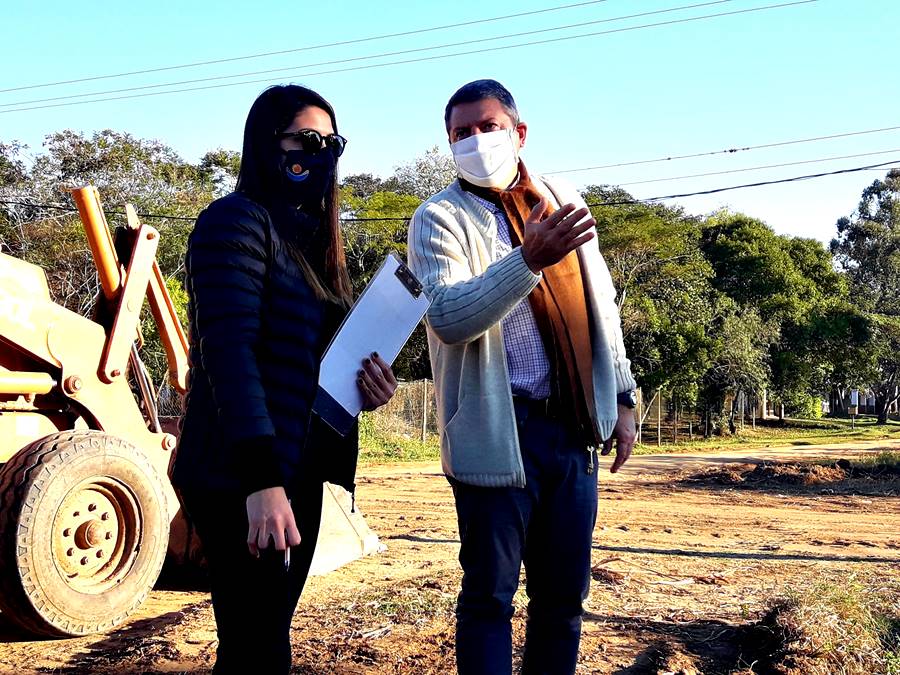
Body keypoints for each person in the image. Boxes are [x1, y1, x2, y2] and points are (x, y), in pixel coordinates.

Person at [406, 79, 638, 675]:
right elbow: (448, 317)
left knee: (563, 601)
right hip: (497, 433)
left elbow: (601, 303)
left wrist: (623, 395)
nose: (474, 140)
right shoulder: (438, 218)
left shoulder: (560, 197)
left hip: (572, 431)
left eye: (488, 127)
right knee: (489, 599)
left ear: (520, 132)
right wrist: (528, 261)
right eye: (460, 133)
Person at [172, 84, 397, 674]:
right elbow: (229, 355)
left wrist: (368, 387)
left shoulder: (310, 240)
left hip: (298, 467)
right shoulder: (234, 222)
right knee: (258, 645)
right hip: (243, 472)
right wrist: (262, 482)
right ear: (266, 143)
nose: (321, 155)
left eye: (332, 144)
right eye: (306, 141)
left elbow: (308, 366)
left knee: (263, 638)